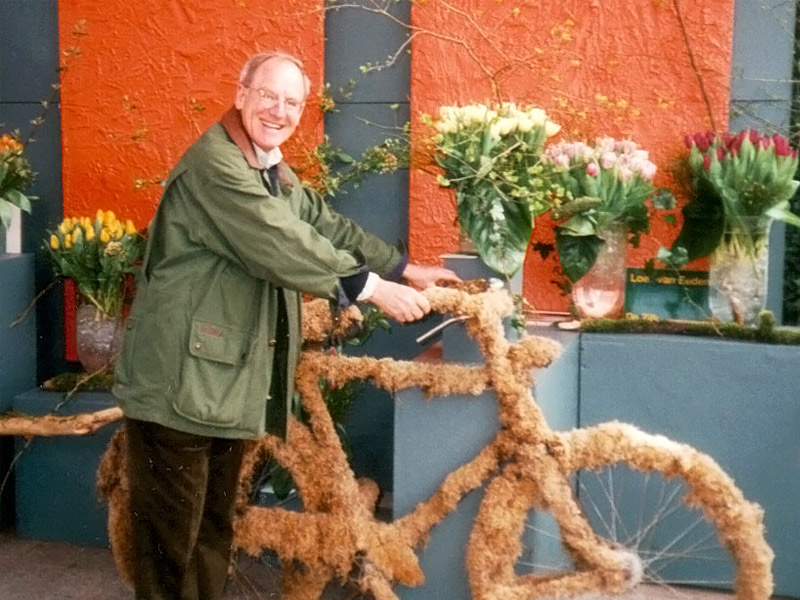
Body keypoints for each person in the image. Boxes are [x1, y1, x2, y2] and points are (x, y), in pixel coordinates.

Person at [112, 50, 460, 600]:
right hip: (178, 382)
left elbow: (319, 220)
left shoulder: (265, 163)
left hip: (218, 379)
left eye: (292, 101)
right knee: (171, 549)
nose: (279, 110)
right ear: (241, 93)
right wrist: (371, 288)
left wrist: (404, 267)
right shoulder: (219, 166)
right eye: (268, 95)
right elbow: (280, 240)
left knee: (212, 532)